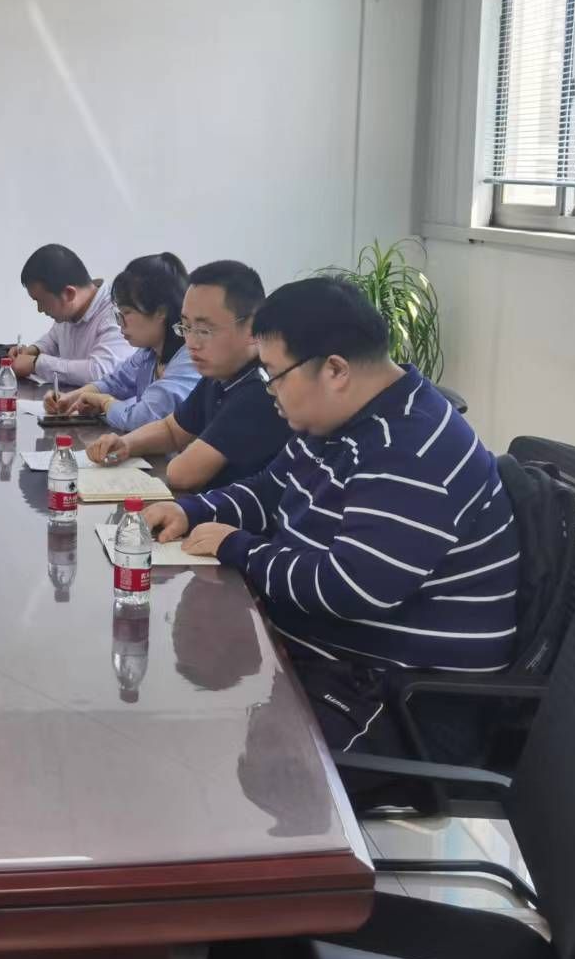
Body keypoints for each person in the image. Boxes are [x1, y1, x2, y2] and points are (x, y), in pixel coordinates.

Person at [143, 277, 519, 752]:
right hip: (333, 663)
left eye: (274, 375)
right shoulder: (337, 421)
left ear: (335, 370)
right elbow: (271, 491)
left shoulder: (410, 451)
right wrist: (192, 511)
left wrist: (238, 547)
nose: (269, 390)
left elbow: (350, 588)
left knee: (201, 749)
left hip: (400, 702)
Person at [87, 260, 289, 493]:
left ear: (253, 328)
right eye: (185, 327)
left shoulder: (260, 388)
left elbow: (183, 475)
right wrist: (126, 443)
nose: (191, 343)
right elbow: (172, 430)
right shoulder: (219, 375)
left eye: (204, 330)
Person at [46, 253, 202, 430]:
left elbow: (142, 418)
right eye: (118, 314)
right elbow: (115, 382)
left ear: (161, 312)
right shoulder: (149, 353)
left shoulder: (191, 360)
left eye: (127, 312)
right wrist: (72, 398)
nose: (120, 322)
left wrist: (105, 403)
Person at [6, 243, 132, 388]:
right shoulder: (70, 311)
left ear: (69, 293)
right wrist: (33, 350)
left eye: (42, 301)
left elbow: (100, 371)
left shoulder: (116, 314)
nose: (40, 309)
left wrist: (35, 364)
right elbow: (53, 339)